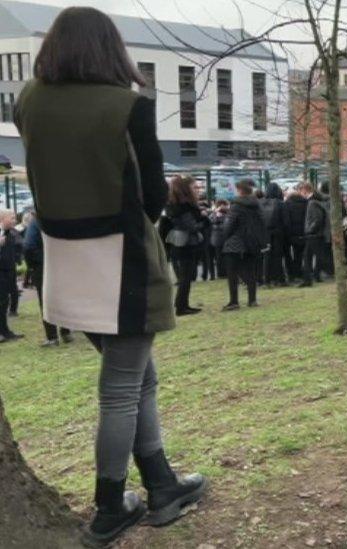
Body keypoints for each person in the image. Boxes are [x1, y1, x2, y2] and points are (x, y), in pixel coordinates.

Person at [13, 8, 206, 545]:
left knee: (137, 379)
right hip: (122, 262)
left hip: (63, 260)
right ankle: (109, 505)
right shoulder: (129, 106)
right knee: (123, 388)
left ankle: (163, 484)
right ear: (110, 50)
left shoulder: (29, 100)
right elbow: (150, 196)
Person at [22, 213, 73, 347]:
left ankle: (52, 337)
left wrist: (34, 265)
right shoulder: (60, 219)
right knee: (62, 299)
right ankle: (66, 331)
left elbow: (28, 246)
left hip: (43, 266)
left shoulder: (36, 222)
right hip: (60, 264)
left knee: (46, 301)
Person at [221, 180, 268, 311]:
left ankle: (234, 301)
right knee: (250, 272)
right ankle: (252, 300)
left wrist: (225, 237)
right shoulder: (257, 205)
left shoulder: (236, 205)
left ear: (240, 190)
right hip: (252, 243)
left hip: (235, 243)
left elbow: (229, 226)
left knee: (232, 273)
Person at [165, 175, 206, 316]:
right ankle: (182, 306)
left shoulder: (173, 204)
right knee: (186, 277)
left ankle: (181, 304)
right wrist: (204, 221)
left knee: (184, 276)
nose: (197, 190)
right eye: (195, 187)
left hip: (178, 242)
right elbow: (192, 226)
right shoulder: (183, 206)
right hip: (186, 243)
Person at [297, 182, 333, 286]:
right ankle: (313, 277)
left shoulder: (312, 202)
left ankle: (308, 279)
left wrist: (310, 230)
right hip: (318, 234)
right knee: (312, 256)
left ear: (304, 190)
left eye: (300, 191)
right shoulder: (319, 199)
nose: (300, 194)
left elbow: (317, 219)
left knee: (311, 257)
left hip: (313, 234)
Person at [0, 209, 23, 342]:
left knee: (4, 301)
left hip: (8, 271)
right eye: (12, 218)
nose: (15, 220)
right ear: (2, 218)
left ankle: (5, 331)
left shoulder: (11, 232)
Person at [258, 183, 288, 287]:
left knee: (266, 256)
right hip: (278, 233)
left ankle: (266, 279)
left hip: (263, 233)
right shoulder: (281, 203)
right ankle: (279, 279)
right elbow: (286, 221)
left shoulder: (259, 203)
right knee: (277, 256)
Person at [283, 185, 309, 281]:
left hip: (290, 233)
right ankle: (298, 272)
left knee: (289, 254)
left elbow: (286, 220)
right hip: (302, 232)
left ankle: (291, 273)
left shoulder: (287, 204)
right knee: (299, 254)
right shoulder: (305, 203)